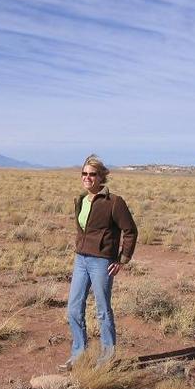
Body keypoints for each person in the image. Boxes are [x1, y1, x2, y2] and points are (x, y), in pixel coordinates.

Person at [60, 154, 138, 371]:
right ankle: (79, 353)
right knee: (74, 308)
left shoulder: (114, 202)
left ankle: (108, 356)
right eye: (84, 174)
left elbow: (130, 231)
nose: (87, 177)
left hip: (102, 262)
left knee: (103, 309)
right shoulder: (80, 200)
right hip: (81, 260)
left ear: (101, 177)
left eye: (92, 174)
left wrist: (122, 259)